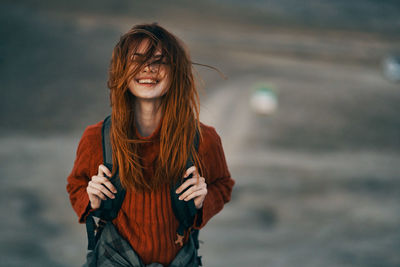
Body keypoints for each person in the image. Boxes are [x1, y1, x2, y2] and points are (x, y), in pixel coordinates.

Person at [66, 23, 235, 266]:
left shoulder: (203, 138)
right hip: (113, 259)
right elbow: (75, 187)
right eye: (138, 60)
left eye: (160, 61)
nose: (149, 68)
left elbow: (223, 184)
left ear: (174, 71)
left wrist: (203, 201)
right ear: (122, 70)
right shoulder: (96, 138)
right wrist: (91, 199)